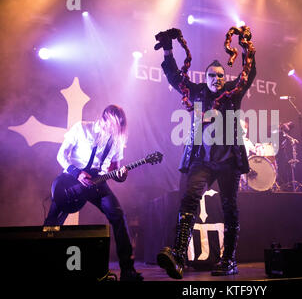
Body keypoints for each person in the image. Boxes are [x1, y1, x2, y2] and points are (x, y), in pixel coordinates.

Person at [155, 30, 256, 279]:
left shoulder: (233, 92)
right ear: (206, 77)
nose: (217, 79)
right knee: (189, 200)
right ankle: (178, 255)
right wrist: (168, 50)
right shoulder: (197, 91)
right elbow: (174, 78)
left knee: (229, 207)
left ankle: (229, 259)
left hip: (229, 160)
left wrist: (246, 48)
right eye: (213, 75)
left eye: (221, 75)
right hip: (202, 159)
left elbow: (248, 74)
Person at [44, 105, 143, 282]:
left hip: (98, 182)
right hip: (71, 179)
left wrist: (121, 175)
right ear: (104, 119)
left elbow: (115, 169)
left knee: (118, 216)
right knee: (54, 219)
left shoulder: (117, 140)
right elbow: (61, 155)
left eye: (119, 127)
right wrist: (77, 173)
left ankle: (127, 270)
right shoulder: (82, 128)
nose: (115, 131)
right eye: (113, 126)